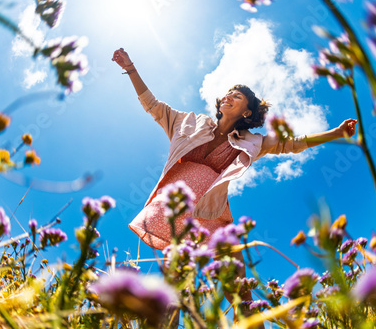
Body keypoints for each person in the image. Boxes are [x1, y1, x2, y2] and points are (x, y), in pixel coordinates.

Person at [112, 47, 357, 325]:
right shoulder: (188, 123)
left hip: (212, 213)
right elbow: (153, 106)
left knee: (237, 286)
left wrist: (335, 133)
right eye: (227, 93)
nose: (228, 96)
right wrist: (131, 69)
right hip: (174, 210)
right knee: (174, 286)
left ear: (248, 111)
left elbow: (292, 144)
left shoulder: (253, 141)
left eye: (237, 95)